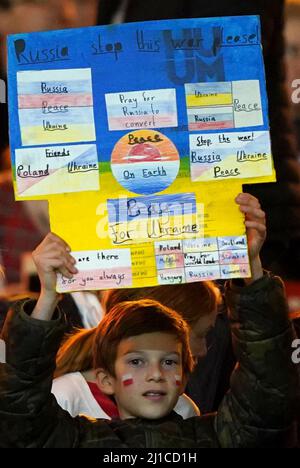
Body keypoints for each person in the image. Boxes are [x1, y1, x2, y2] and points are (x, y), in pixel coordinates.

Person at [0, 193, 298, 448]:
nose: (155, 374)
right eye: (136, 361)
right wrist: (49, 295)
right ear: (105, 379)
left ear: (186, 373)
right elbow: (18, 407)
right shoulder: (71, 440)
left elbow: (268, 388)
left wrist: (250, 265)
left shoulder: (219, 438)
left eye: (169, 362)